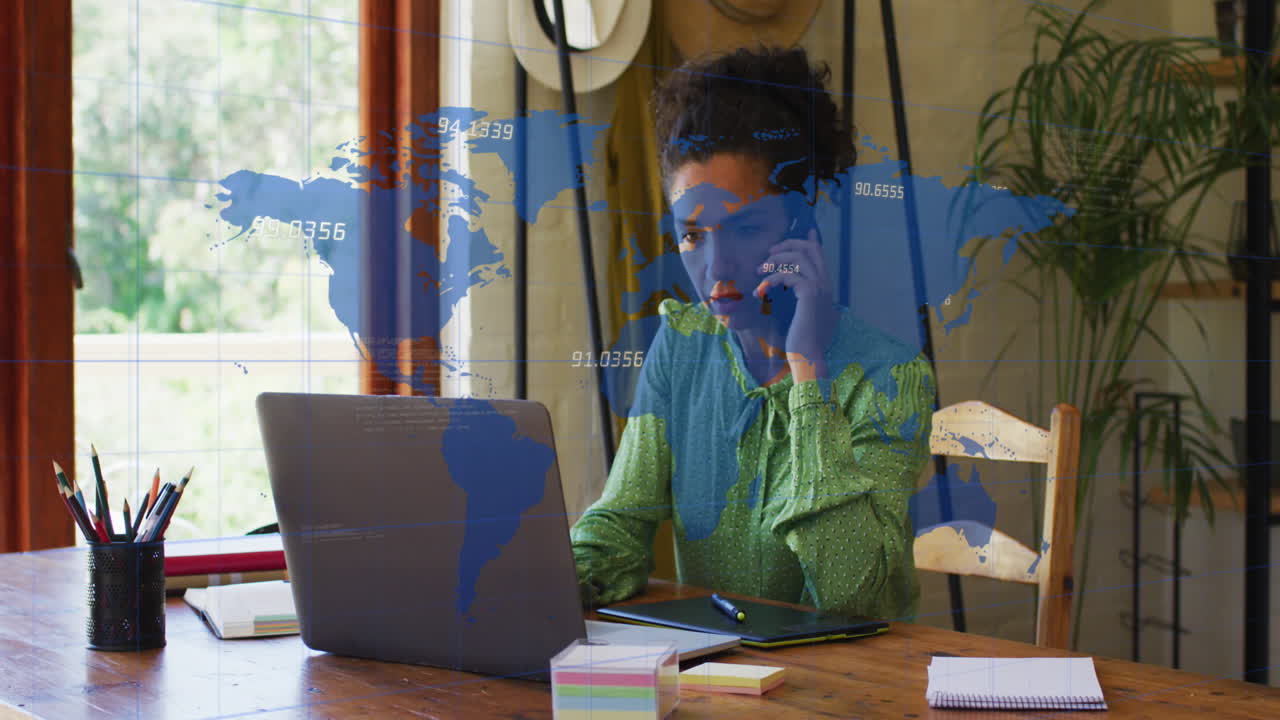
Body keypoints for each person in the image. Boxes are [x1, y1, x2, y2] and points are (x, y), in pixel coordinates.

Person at [570, 46, 935, 620]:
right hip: (718, 685)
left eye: (742, 229)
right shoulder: (683, 345)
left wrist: (808, 373)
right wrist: (537, 586)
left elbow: (853, 596)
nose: (715, 269)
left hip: (851, 689)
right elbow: (621, 523)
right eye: (692, 236)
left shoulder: (891, 378)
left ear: (805, 218)